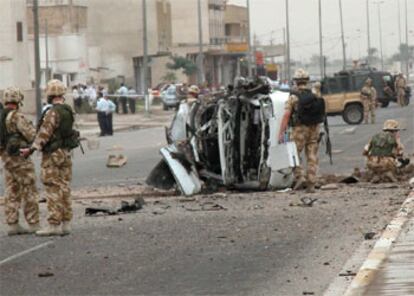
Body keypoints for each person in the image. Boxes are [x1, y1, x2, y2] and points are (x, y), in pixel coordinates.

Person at [21, 79, 77, 236]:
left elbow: (44, 134)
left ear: (50, 95)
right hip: (65, 153)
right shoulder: (68, 110)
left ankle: (53, 224)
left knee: (52, 188)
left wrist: (31, 150)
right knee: (64, 187)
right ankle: (66, 223)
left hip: (52, 155)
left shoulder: (53, 112)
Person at [278, 69, 326, 193]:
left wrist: (281, 132)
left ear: (296, 81)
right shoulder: (315, 95)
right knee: (312, 156)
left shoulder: (294, 97)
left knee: (294, 154)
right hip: (314, 128)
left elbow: (286, 115)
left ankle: (299, 177)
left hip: (299, 129)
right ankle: (311, 183)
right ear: (307, 80)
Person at [0, 87, 40, 235]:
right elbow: (31, 135)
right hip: (20, 159)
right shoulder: (16, 117)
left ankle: (12, 223)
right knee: (29, 189)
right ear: (18, 100)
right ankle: (33, 223)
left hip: (6, 159)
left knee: (11, 191)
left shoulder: (1, 117)